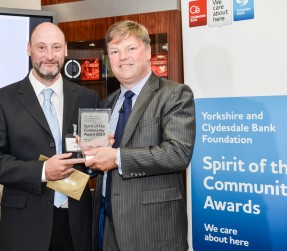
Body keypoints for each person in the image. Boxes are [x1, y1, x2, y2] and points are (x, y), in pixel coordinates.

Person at [83, 20, 196, 251]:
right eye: (115, 51)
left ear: (148, 53)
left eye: (130, 49)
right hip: (108, 226)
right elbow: (99, 163)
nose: (122, 57)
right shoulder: (107, 103)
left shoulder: (174, 94)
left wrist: (116, 157)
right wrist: (90, 154)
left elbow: (178, 153)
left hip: (152, 229)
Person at [0, 22, 100, 251]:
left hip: (77, 224)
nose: (49, 55)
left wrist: (98, 155)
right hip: (25, 226)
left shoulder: (88, 98)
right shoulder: (4, 100)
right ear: (29, 49)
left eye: (56, 47)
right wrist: (44, 172)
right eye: (41, 47)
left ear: (65, 50)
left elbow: (92, 163)